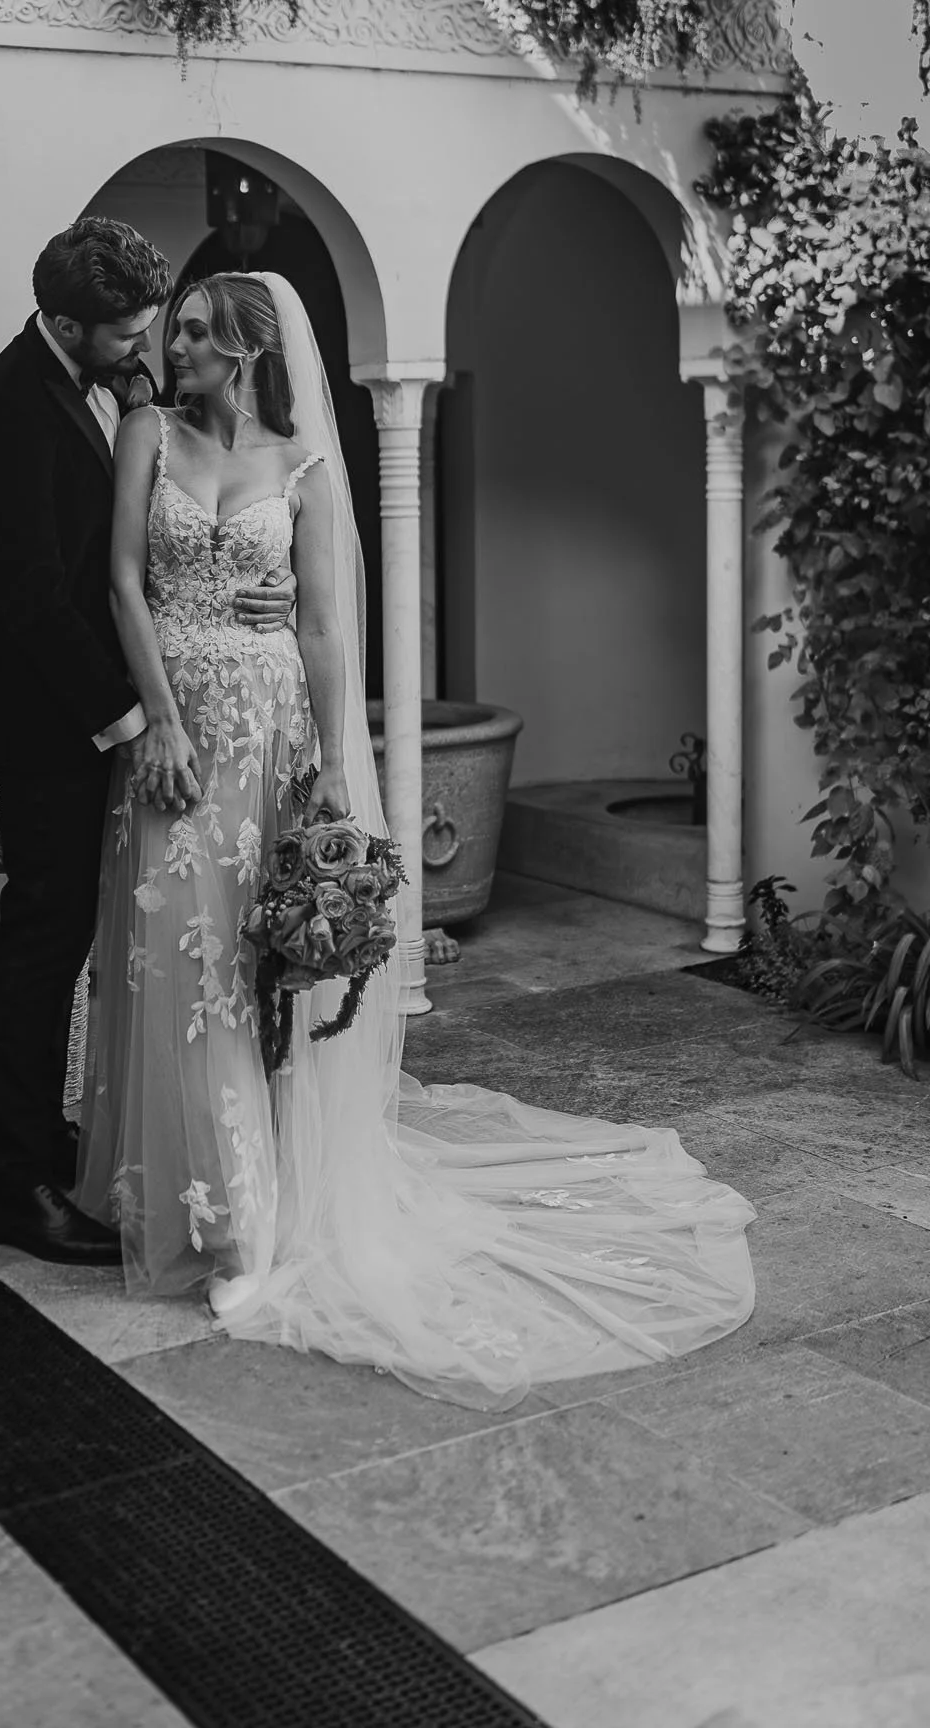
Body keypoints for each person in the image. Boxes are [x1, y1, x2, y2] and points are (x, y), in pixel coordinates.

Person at [74, 270, 757, 1408]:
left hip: (279, 727)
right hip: (179, 736)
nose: (173, 346)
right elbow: (121, 583)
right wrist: (161, 722)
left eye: (195, 333)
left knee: (260, 963)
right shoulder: (144, 429)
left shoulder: (299, 462)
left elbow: (323, 623)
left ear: (243, 352)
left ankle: (260, 1209)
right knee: (174, 957)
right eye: (176, 329)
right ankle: (191, 1199)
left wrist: (336, 767)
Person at [0, 220, 295, 1267]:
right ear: (66, 323)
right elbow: (33, 601)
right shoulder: (9, 410)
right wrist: (138, 716)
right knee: (41, 939)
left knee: (103, 939)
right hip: (59, 721)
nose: (145, 351)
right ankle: (17, 1182)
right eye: (129, 333)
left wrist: (257, 590)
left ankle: (62, 1137)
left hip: (144, 698)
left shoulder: (115, 387)